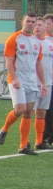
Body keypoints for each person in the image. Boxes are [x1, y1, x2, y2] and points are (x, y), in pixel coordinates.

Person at [0, 13, 46, 154]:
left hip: (32, 81)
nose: (30, 24)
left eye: (33, 22)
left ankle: (23, 146)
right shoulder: (14, 38)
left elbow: (39, 64)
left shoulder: (37, 42)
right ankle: (4, 129)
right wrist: (14, 78)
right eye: (28, 21)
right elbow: (9, 61)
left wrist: (42, 83)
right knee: (20, 109)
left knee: (29, 112)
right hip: (17, 80)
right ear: (22, 22)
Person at [32, 16, 53, 150]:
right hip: (32, 83)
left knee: (44, 111)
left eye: (40, 25)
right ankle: (24, 142)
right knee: (26, 111)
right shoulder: (31, 42)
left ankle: (41, 141)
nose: (37, 27)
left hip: (48, 83)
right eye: (36, 24)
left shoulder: (49, 44)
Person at [43, 13, 53, 146]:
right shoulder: (42, 40)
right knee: (47, 110)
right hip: (46, 81)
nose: (45, 27)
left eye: (48, 24)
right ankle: (47, 137)